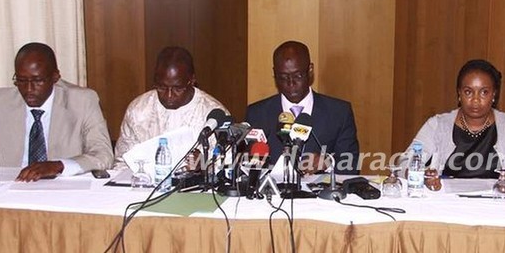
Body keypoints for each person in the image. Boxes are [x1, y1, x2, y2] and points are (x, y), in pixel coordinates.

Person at [402, 59, 505, 181]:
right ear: (459, 94)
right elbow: (403, 163)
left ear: (494, 95)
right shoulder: (438, 125)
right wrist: (422, 175)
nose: (475, 100)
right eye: (468, 92)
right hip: (449, 205)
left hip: (499, 204)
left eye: (484, 92)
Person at [0, 42, 113, 181]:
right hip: (12, 188)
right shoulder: (2, 102)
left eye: (38, 80)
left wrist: (59, 166)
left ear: (55, 77)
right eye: (21, 80)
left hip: (64, 189)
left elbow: (103, 155)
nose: (28, 89)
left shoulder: (82, 101)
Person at [245, 40, 360, 174]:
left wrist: (329, 162)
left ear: (310, 70)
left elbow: (351, 167)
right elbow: (246, 166)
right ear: (274, 74)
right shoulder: (257, 114)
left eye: (297, 76)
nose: (291, 83)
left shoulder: (339, 113)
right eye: (283, 77)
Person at [115, 46, 228, 161]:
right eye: (162, 87)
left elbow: (227, 165)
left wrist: (203, 165)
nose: (169, 95)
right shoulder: (138, 110)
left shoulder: (213, 114)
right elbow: (122, 161)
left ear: (192, 80)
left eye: (177, 89)